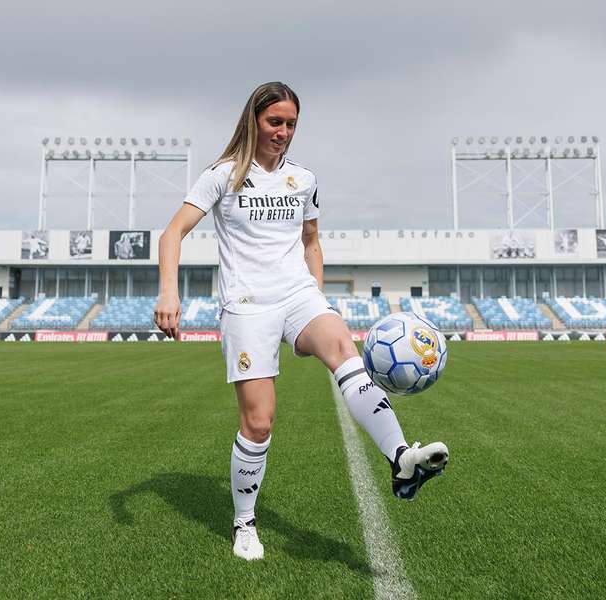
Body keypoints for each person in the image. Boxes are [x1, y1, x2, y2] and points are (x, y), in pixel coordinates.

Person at [154, 82, 448, 561]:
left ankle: (402, 460)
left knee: (345, 351)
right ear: (254, 120)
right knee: (259, 421)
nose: (283, 133)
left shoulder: (304, 180)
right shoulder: (221, 175)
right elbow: (172, 234)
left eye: (291, 124)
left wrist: (316, 292)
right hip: (247, 306)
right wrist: (169, 291)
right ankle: (244, 523)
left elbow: (311, 241)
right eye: (275, 122)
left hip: (297, 294)